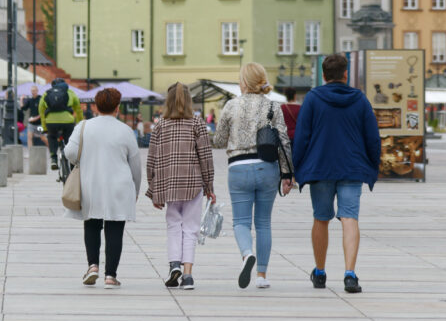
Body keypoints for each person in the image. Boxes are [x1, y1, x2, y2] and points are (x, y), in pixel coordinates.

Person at [293, 53, 381, 294]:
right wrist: (374, 164)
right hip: (352, 168)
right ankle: (350, 274)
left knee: (321, 218)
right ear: (345, 74)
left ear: (323, 75)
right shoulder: (360, 99)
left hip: (320, 167)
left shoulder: (312, 99)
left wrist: (294, 167)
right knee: (350, 217)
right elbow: (372, 136)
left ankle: (319, 273)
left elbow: (301, 136)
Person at [212, 63, 293, 290]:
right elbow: (284, 142)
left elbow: (218, 141)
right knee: (264, 223)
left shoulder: (231, 105)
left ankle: (247, 254)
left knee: (241, 222)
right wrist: (287, 174)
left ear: (243, 82)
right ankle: (261, 275)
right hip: (267, 167)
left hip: (238, 168)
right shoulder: (272, 107)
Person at [65, 87, 141, 289]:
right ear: (117, 108)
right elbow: (135, 166)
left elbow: (70, 152)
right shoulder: (125, 130)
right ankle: (110, 275)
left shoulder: (83, 126)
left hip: (91, 182)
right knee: (115, 229)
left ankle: (92, 266)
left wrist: (84, 158)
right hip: (119, 186)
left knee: (91, 224)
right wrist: (136, 191)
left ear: (96, 107)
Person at [146, 83, 216, 291]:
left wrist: (153, 189)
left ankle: (173, 264)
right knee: (191, 229)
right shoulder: (196, 123)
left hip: (169, 184)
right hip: (193, 183)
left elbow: (152, 159)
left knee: (173, 225)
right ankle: (187, 275)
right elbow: (205, 156)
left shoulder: (160, 125)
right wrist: (209, 185)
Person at [39, 78, 83, 170]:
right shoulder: (70, 92)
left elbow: (41, 109)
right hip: (67, 121)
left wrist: (44, 126)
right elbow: (78, 109)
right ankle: (72, 164)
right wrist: (80, 123)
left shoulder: (47, 93)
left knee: (52, 137)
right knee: (70, 140)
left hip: (51, 122)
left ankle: (54, 159)